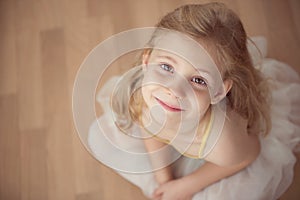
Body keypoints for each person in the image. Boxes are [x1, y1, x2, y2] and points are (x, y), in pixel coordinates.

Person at [88, 3, 300, 200]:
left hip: (217, 148)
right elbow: (151, 130)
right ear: (147, 61)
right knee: (101, 137)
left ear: (218, 92)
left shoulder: (222, 139)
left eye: (198, 80)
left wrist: (188, 185)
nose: (174, 90)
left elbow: (248, 154)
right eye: (166, 67)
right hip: (181, 131)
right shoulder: (146, 96)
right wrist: (164, 178)